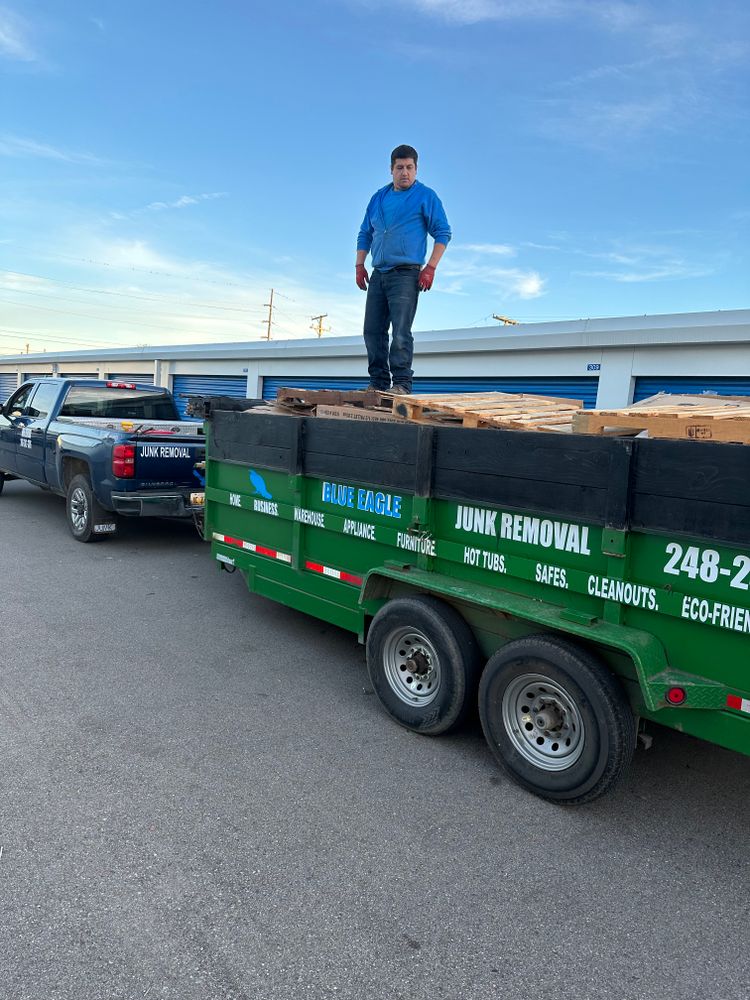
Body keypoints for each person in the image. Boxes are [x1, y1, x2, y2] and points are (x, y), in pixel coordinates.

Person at [356, 144, 451, 394]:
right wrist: (359, 264)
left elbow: (443, 232)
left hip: (406, 274)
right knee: (372, 331)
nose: (405, 172)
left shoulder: (425, 196)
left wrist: (430, 267)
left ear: (416, 169)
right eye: (400, 168)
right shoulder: (378, 198)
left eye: (410, 167)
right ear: (391, 170)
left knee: (400, 331)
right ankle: (377, 383)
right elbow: (365, 233)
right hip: (379, 274)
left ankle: (401, 384)